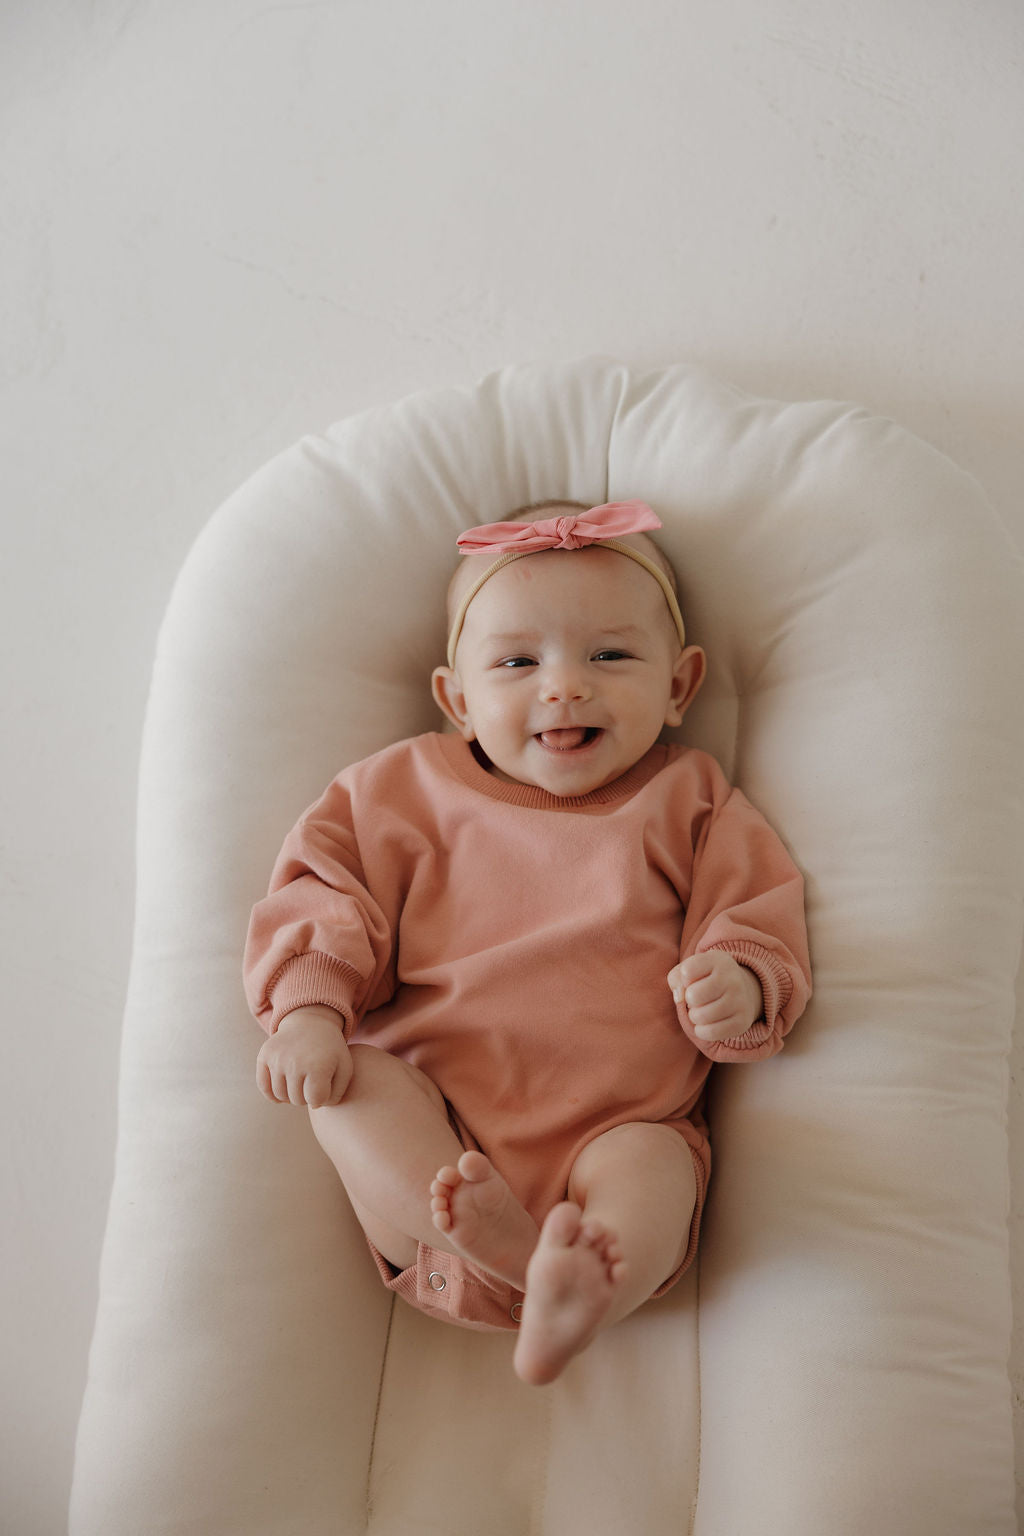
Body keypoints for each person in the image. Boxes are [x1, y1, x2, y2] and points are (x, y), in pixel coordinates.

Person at [243, 498, 811, 1386]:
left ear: (680, 686)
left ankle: (576, 1284)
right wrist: (310, 1009)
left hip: (616, 1133)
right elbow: (326, 889)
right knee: (351, 1086)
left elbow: (757, 909)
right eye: (517, 662)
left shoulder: (692, 800)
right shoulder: (398, 792)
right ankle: (516, 1259)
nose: (564, 687)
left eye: (610, 656)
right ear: (457, 700)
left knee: (653, 1163)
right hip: (438, 1158)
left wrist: (739, 981)